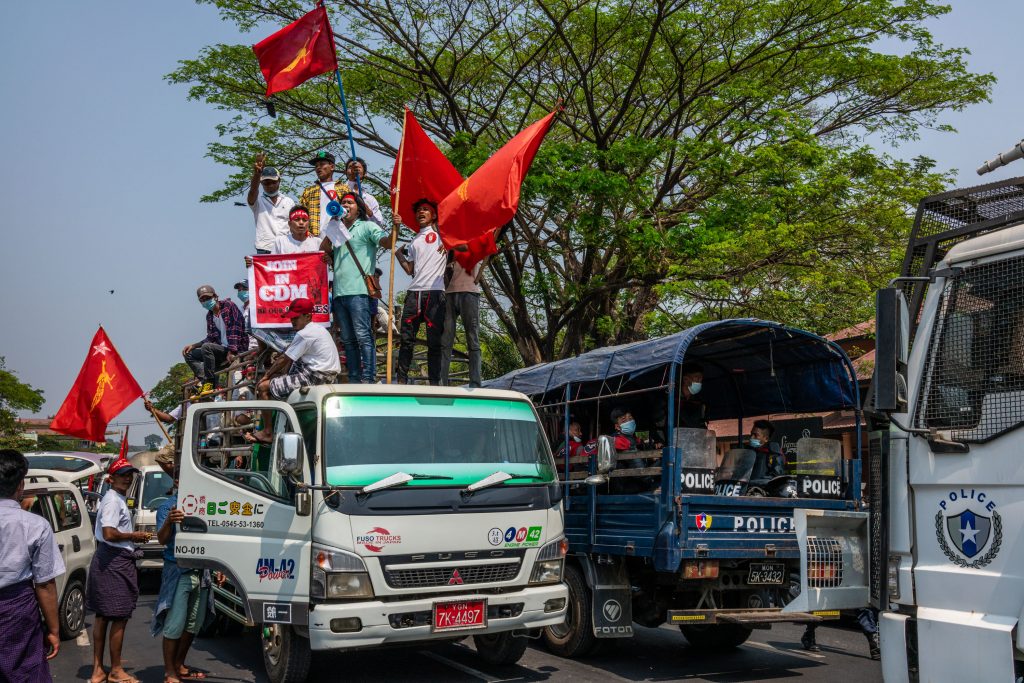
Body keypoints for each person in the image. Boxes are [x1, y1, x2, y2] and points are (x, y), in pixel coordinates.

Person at [0, 449, 65, 683]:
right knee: (24, 673)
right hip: (18, 613)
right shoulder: (35, 525)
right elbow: (45, 584)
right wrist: (54, 629)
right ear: (20, 485)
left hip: (18, 611)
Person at [319, 192, 397, 384]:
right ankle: (354, 378)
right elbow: (323, 250)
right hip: (339, 293)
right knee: (348, 339)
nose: (345, 205)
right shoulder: (337, 228)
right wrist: (333, 225)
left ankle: (368, 378)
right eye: (342, 202)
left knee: (363, 336)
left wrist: (396, 227)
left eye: (349, 203)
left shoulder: (367, 226)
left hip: (359, 292)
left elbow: (387, 243)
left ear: (359, 208)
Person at [87, 457, 153, 683]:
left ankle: (99, 670)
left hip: (111, 559)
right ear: (111, 479)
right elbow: (109, 533)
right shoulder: (113, 500)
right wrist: (134, 536)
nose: (127, 478)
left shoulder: (116, 498)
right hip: (113, 560)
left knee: (104, 616)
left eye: (129, 474)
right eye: (123, 474)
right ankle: (114, 670)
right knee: (118, 616)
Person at [151, 447, 209, 683]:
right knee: (175, 624)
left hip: (200, 570)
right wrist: (169, 521)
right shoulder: (168, 506)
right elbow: (162, 539)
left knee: (193, 624)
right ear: (176, 481)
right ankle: (169, 672)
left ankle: (179, 664)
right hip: (178, 569)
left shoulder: (202, 504)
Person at [250, 298, 342, 442]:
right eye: (291, 318)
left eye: (296, 318)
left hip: (315, 376)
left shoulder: (305, 334)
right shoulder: (319, 329)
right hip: (327, 374)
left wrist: (266, 376)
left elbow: (284, 359)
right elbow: (289, 358)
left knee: (263, 388)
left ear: (308, 316)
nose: (293, 321)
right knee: (290, 361)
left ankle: (267, 432)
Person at [396, 198, 449, 385]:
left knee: (434, 342)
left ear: (433, 215)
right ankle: (401, 379)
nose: (421, 212)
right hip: (414, 293)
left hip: (435, 293)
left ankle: (435, 382)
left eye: (426, 210)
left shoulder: (441, 233)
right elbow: (410, 270)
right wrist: (398, 255)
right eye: (418, 210)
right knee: (406, 339)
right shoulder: (414, 239)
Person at [182, 285, 249, 397]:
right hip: (221, 349)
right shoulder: (210, 316)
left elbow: (235, 328)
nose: (206, 301)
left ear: (215, 297)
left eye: (207, 298)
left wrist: (232, 350)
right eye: (202, 300)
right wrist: (194, 345)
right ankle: (205, 382)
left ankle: (209, 383)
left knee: (207, 347)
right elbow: (211, 338)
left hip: (236, 348)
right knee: (188, 353)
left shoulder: (228, 306)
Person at [440, 257, 486, 387]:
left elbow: (490, 248)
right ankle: (441, 383)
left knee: (473, 340)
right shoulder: (450, 245)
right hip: (449, 293)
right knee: (445, 341)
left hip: (470, 293)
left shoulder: (476, 241)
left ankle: (475, 384)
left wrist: (478, 277)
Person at [246, 153, 295, 254]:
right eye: (266, 183)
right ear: (261, 183)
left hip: (286, 248)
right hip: (265, 249)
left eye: (273, 182)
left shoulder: (289, 201)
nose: (270, 185)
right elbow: (252, 191)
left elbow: (295, 225)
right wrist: (257, 173)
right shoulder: (257, 201)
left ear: (279, 181)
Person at [300, 151, 350, 239]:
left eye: (322, 164)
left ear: (332, 167)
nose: (318, 168)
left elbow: (350, 213)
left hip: (339, 237)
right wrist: (306, 232)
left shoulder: (344, 189)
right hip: (315, 239)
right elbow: (302, 215)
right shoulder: (308, 191)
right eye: (316, 166)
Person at [344, 157, 385, 226]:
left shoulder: (370, 199)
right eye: (350, 167)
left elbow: (379, 223)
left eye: (358, 167)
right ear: (346, 172)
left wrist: (368, 211)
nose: (354, 169)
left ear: (365, 173)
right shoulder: (338, 190)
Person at [678, 362, 708, 428]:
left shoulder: (699, 401)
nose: (700, 382)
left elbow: (701, 424)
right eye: (697, 378)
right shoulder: (670, 399)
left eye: (701, 379)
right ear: (685, 379)